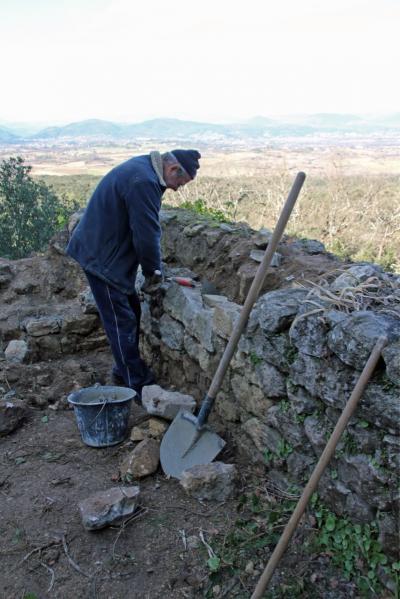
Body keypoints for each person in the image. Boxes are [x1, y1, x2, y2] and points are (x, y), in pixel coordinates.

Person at [66, 149, 201, 400]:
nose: (177, 189)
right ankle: (137, 384)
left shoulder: (145, 170)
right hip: (101, 259)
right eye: (181, 183)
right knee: (121, 321)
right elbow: (146, 235)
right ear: (172, 170)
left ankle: (123, 369)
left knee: (132, 311)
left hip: (107, 252)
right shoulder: (144, 182)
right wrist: (153, 273)